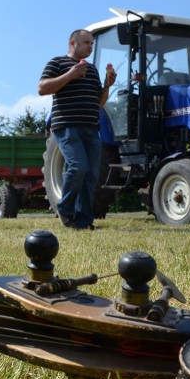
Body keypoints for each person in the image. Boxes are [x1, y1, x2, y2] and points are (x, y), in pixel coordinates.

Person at [38, 29, 115, 230]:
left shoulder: (92, 70)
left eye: (91, 43)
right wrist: (70, 75)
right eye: (86, 43)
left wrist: (107, 86)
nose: (90, 46)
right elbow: (42, 88)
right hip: (67, 126)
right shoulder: (57, 63)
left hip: (91, 128)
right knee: (78, 166)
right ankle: (65, 208)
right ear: (73, 43)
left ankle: (84, 222)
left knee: (91, 177)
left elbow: (99, 103)